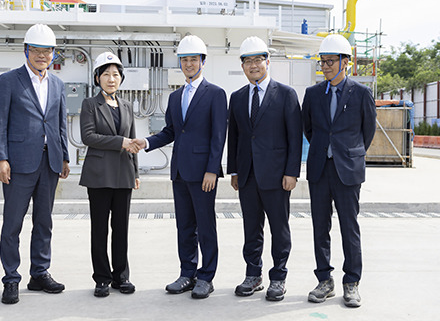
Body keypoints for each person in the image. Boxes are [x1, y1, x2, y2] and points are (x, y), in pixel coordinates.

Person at [132, 34, 227, 299]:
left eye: (193, 59)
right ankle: (188, 273)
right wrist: (146, 142)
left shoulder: (216, 94)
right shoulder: (175, 97)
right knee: (185, 226)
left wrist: (212, 169)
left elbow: (219, 136)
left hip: (203, 173)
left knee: (206, 226)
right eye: (184, 60)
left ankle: (206, 277)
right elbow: (171, 131)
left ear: (202, 62)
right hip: (180, 172)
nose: (189, 64)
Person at [0, 24, 70, 305]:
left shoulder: (58, 84)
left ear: (53, 54)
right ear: (26, 51)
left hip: (49, 163)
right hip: (18, 164)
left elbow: (60, 122)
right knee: (12, 223)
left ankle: (39, 272)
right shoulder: (9, 81)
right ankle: (11, 278)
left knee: (44, 221)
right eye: (36, 50)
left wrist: (64, 156)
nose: (41, 55)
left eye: (46, 51)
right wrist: (0, 158)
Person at [302, 34, 376, 308]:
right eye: (323, 62)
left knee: (349, 226)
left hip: (348, 170)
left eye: (331, 61)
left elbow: (367, 132)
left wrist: (348, 151)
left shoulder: (361, 93)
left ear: (346, 62)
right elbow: (308, 129)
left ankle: (351, 282)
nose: (326, 66)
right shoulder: (312, 94)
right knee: (320, 226)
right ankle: (324, 280)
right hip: (320, 169)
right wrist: (326, 149)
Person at [227, 36, 303, 301]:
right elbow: (234, 137)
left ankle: (279, 277)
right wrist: (234, 171)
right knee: (251, 228)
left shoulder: (285, 94)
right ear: (243, 66)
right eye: (248, 61)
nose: (253, 65)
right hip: (247, 176)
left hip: (277, 176)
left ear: (267, 62)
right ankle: (253, 274)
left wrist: (292, 172)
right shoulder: (237, 98)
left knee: (279, 228)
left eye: (258, 60)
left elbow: (295, 136)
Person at [79, 52, 140, 298]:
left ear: (121, 78)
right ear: (97, 78)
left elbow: (133, 140)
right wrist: (121, 142)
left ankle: (121, 277)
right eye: (106, 74)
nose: (111, 79)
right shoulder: (90, 105)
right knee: (100, 229)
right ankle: (102, 278)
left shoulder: (126, 106)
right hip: (99, 175)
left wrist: (135, 171)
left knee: (121, 229)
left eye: (115, 74)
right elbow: (88, 136)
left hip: (124, 174)